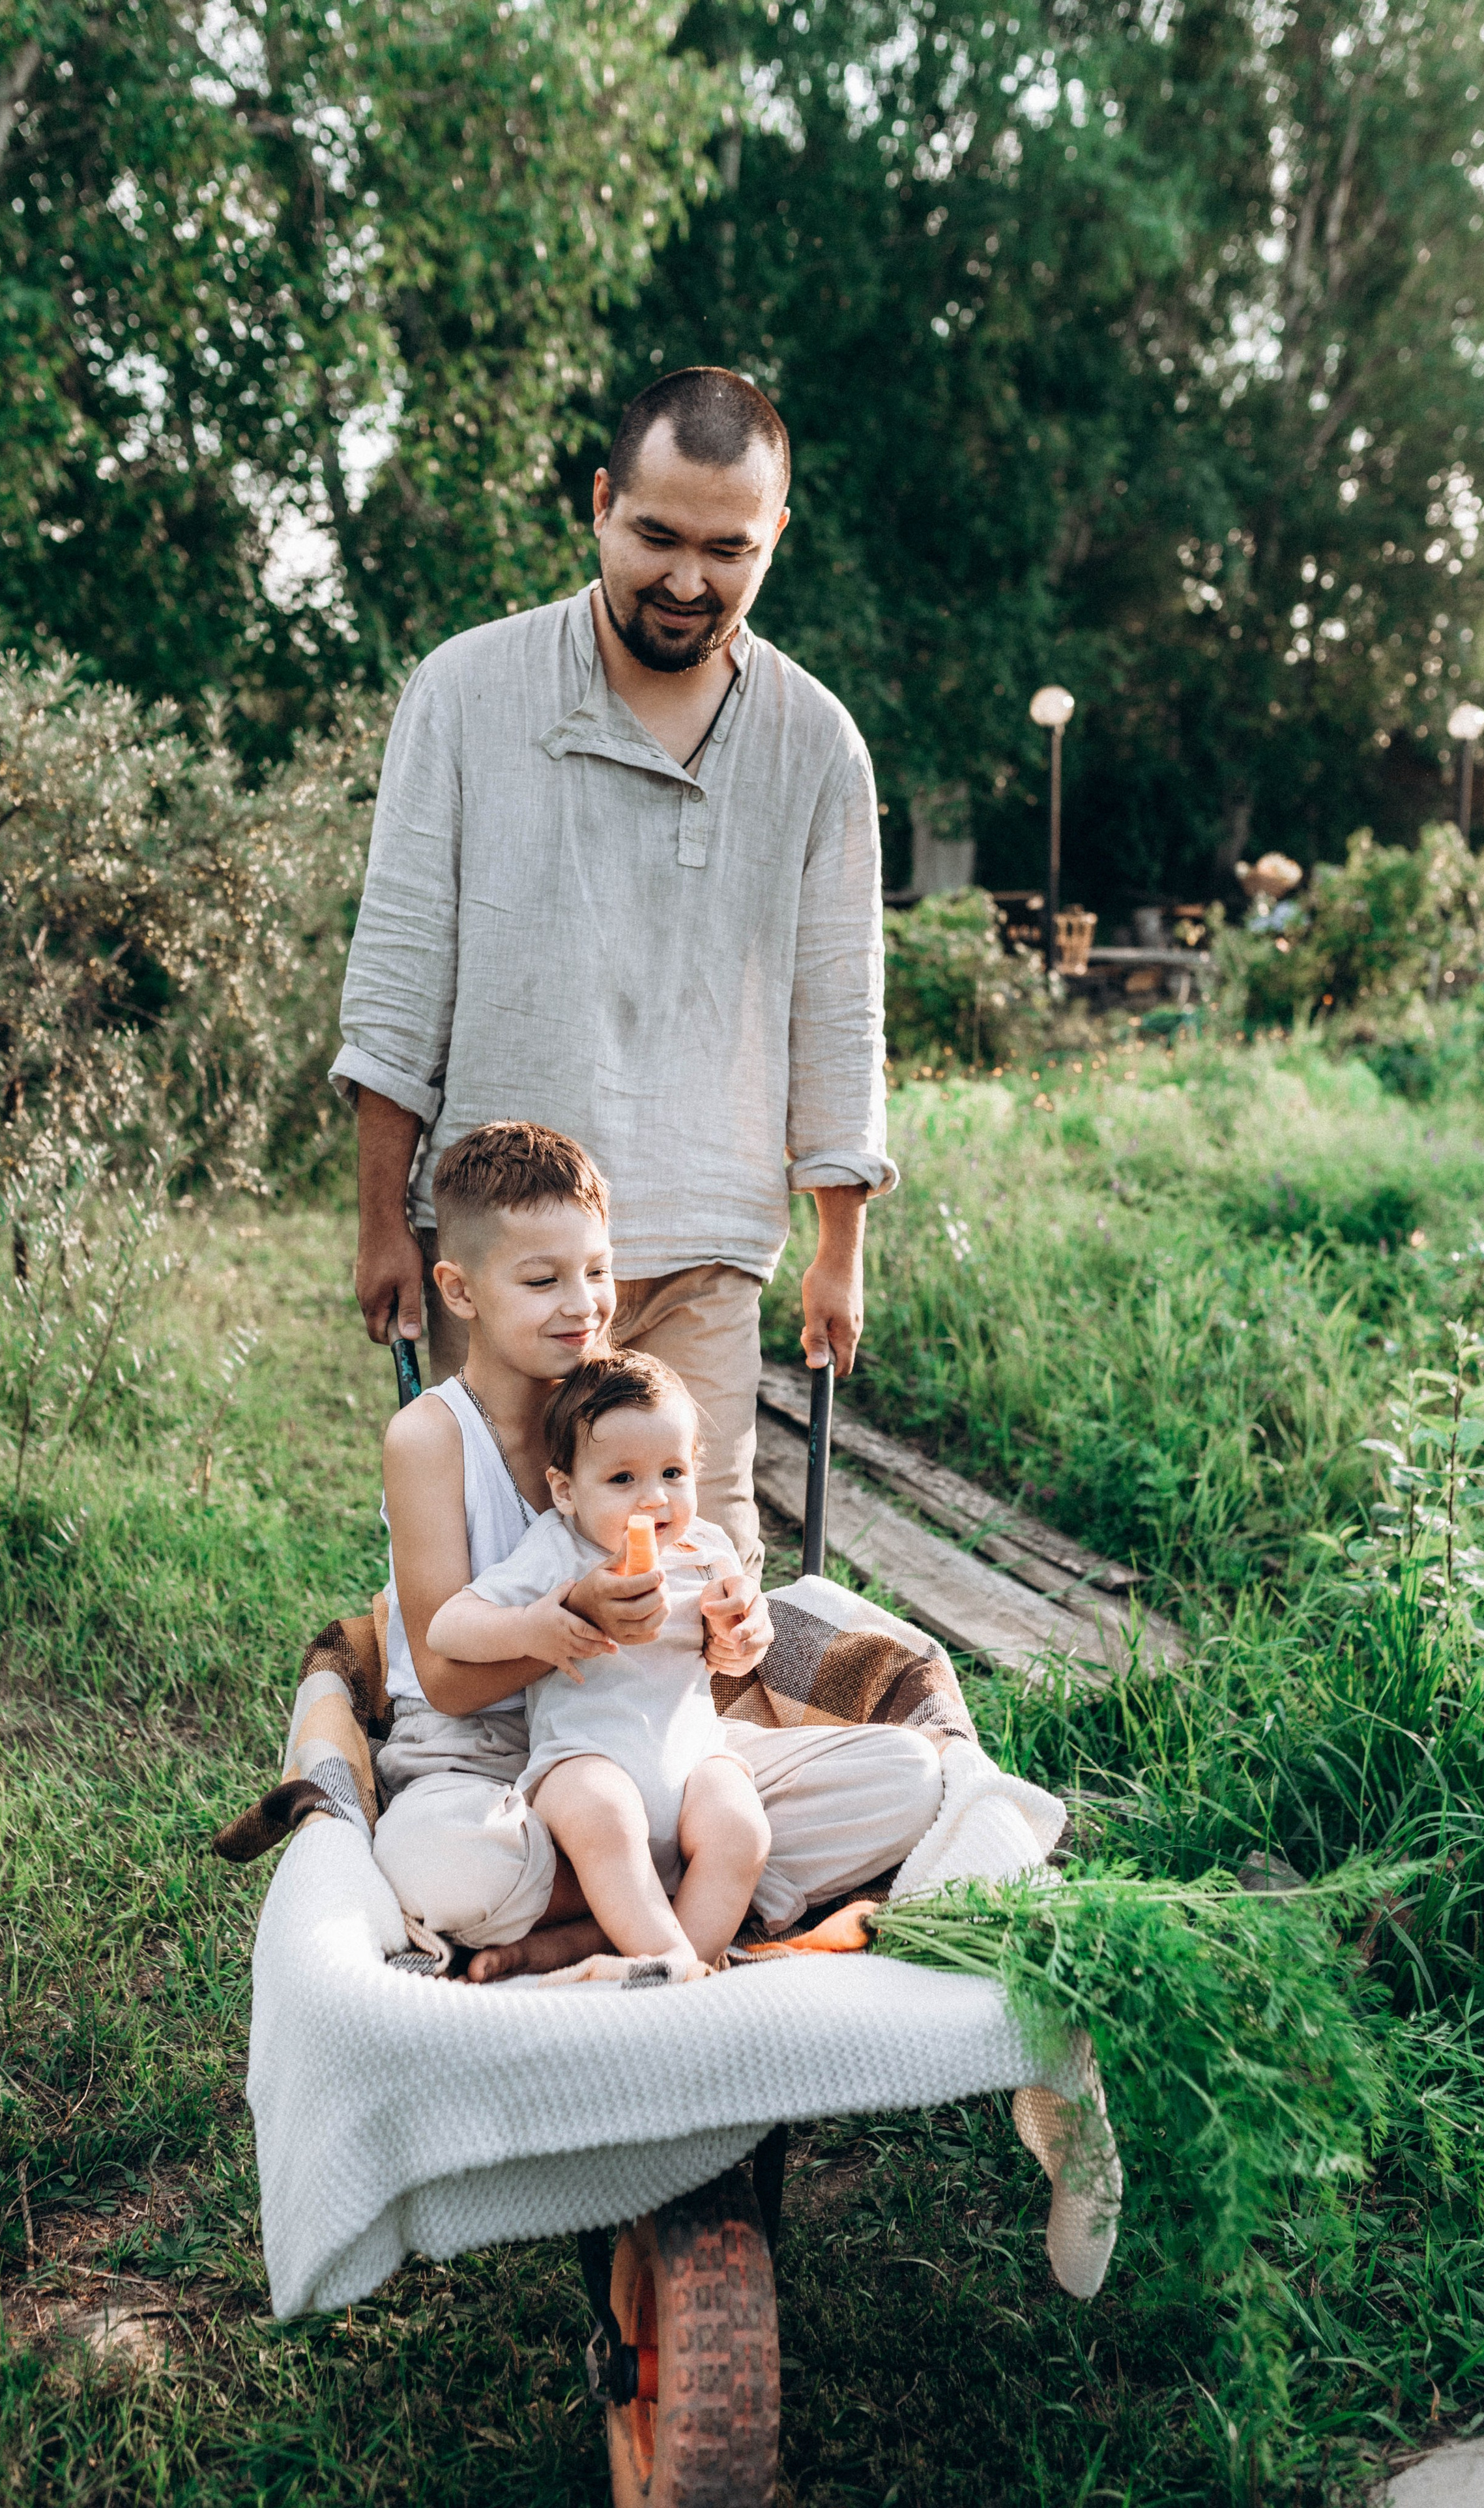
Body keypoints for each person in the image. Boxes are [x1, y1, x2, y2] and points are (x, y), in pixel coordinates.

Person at [331, 362, 896, 1575]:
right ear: (599, 503)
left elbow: (840, 1008)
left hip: (705, 1240)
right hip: (503, 1249)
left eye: (728, 550)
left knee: (698, 1577)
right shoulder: (468, 691)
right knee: (497, 1575)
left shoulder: (818, 743)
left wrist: (838, 1247)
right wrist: (383, 1221)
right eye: (657, 537)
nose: (688, 581)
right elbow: (398, 980)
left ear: (776, 535)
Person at [372, 1120, 942, 1981]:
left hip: (650, 1741)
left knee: (906, 1777)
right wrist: (580, 1622)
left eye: (598, 1271)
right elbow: (445, 1679)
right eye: (542, 1280)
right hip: (481, 1752)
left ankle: (608, 1921)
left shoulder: (628, 1417)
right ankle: (676, 1907)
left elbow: (701, 1606)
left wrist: (732, 1631)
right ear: (459, 1290)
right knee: (445, 1864)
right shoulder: (431, 1437)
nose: (583, 1305)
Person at [429, 1352, 770, 1977]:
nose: (654, 1499)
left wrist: (743, 1635)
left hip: (693, 1761)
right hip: (585, 1762)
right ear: (566, 1491)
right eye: (622, 1479)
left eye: (672, 1473)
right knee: (605, 1815)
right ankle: (669, 1959)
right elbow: (447, 1627)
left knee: (743, 1830)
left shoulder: (707, 1549)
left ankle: (682, 1971)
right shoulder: (557, 1550)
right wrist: (535, 1626)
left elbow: (738, 1648)